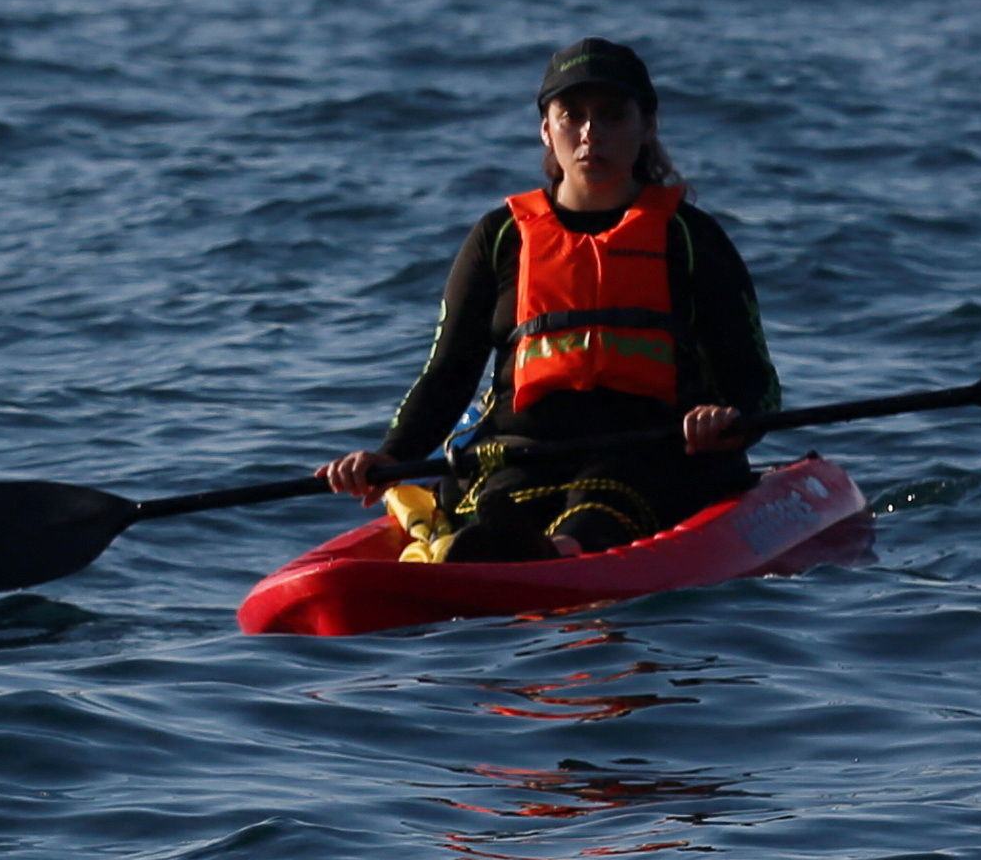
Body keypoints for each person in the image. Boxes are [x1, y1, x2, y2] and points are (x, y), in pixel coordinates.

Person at [313, 37, 780, 558]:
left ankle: (552, 555)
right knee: (503, 500)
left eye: (610, 116)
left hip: (649, 450)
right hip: (524, 454)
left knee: (601, 504)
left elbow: (753, 381)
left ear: (647, 127)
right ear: (546, 130)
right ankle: (495, 550)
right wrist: (389, 455)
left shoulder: (691, 238)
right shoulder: (500, 236)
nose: (589, 134)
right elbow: (448, 373)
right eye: (571, 116)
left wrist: (727, 424)